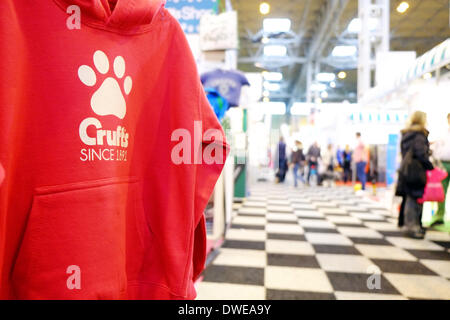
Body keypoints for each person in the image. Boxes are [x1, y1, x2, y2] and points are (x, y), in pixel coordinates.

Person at [396, 111, 434, 239]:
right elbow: (420, 153)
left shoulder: (406, 133)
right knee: (414, 198)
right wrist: (429, 164)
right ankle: (411, 227)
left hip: (406, 169)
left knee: (409, 197)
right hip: (416, 170)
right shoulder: (419, 135)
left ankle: (407, 225)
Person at [431, 113, 450, 226]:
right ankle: (439, 216)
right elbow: (436, 149)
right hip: (443, 164)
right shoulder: (443, 134)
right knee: (441, 191)